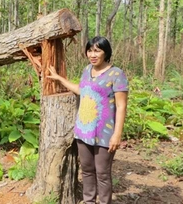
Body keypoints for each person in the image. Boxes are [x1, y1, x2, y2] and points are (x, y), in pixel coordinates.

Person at [47, 36, 128, 204]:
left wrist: (117, 134)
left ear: (106, 53)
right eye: (90, 50)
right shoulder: (86, 70)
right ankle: (89, 201)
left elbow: (121, 106)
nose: (92, 54)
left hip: (105, 133)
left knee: (103, 173)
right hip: (84, 130)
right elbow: (80, 90)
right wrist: (59, 78)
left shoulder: (117, 74)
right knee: (87, 170)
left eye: (97, 50)